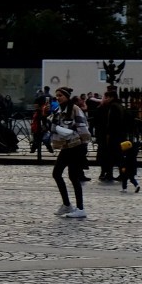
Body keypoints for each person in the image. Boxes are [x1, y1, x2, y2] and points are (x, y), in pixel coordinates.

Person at [48, 87, 91, 218]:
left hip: (76, 146)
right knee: (57, 173)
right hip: (66, 146)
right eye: (57, 96)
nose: (58, 98)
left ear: (67, 96)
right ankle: (67, 205)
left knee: (73, 176)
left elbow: (82, 127)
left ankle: (80, 208)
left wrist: (84, 143)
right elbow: (53, 126)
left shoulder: (74, 109)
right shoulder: (58, 110)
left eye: (60, 95)